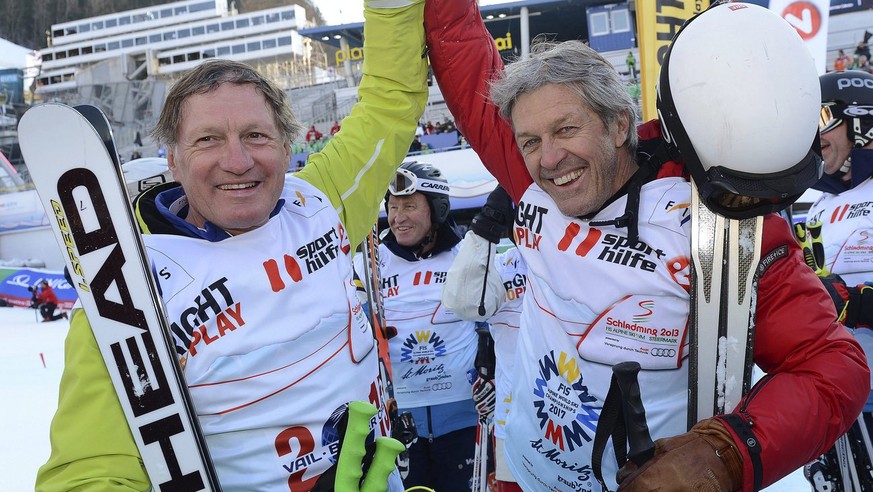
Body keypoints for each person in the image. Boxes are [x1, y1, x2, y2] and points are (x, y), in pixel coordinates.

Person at [424, 1, 869, 490]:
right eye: (530, 141)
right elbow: (463, 57)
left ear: (619, 126)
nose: (549, 158)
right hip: (528, 474)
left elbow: (831, 367)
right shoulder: (530, 176)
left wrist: (724, 454)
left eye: (566, 129)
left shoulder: (719, 218)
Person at [35, 0, 428, 489]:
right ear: (173, 162)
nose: (238, 161)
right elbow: (89, 474)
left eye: (256, 135)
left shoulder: (320, 200)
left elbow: (390, 102)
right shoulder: (127, 290)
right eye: (208, 140)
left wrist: (393, 8)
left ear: (288, 148)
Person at [354, 161, 478, 490]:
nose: (398, 217)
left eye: (409, 206)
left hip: (462, 419)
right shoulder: (371, 262)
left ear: (437, 208)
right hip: (399, 424)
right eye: (393, 207)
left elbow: (493, 323)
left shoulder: (466, 255)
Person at [801, 69, 873, 491]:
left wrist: (854, 299)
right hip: (841, 396)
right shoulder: (820, 206)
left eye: (823, 118)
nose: (815, 136)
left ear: (861, 119)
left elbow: (842, 296)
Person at [442, 184, 527, 492]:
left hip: (582, 430)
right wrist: (486, 224)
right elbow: (460, 300)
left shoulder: (584, 257)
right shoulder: (505, 265)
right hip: (514, 430)